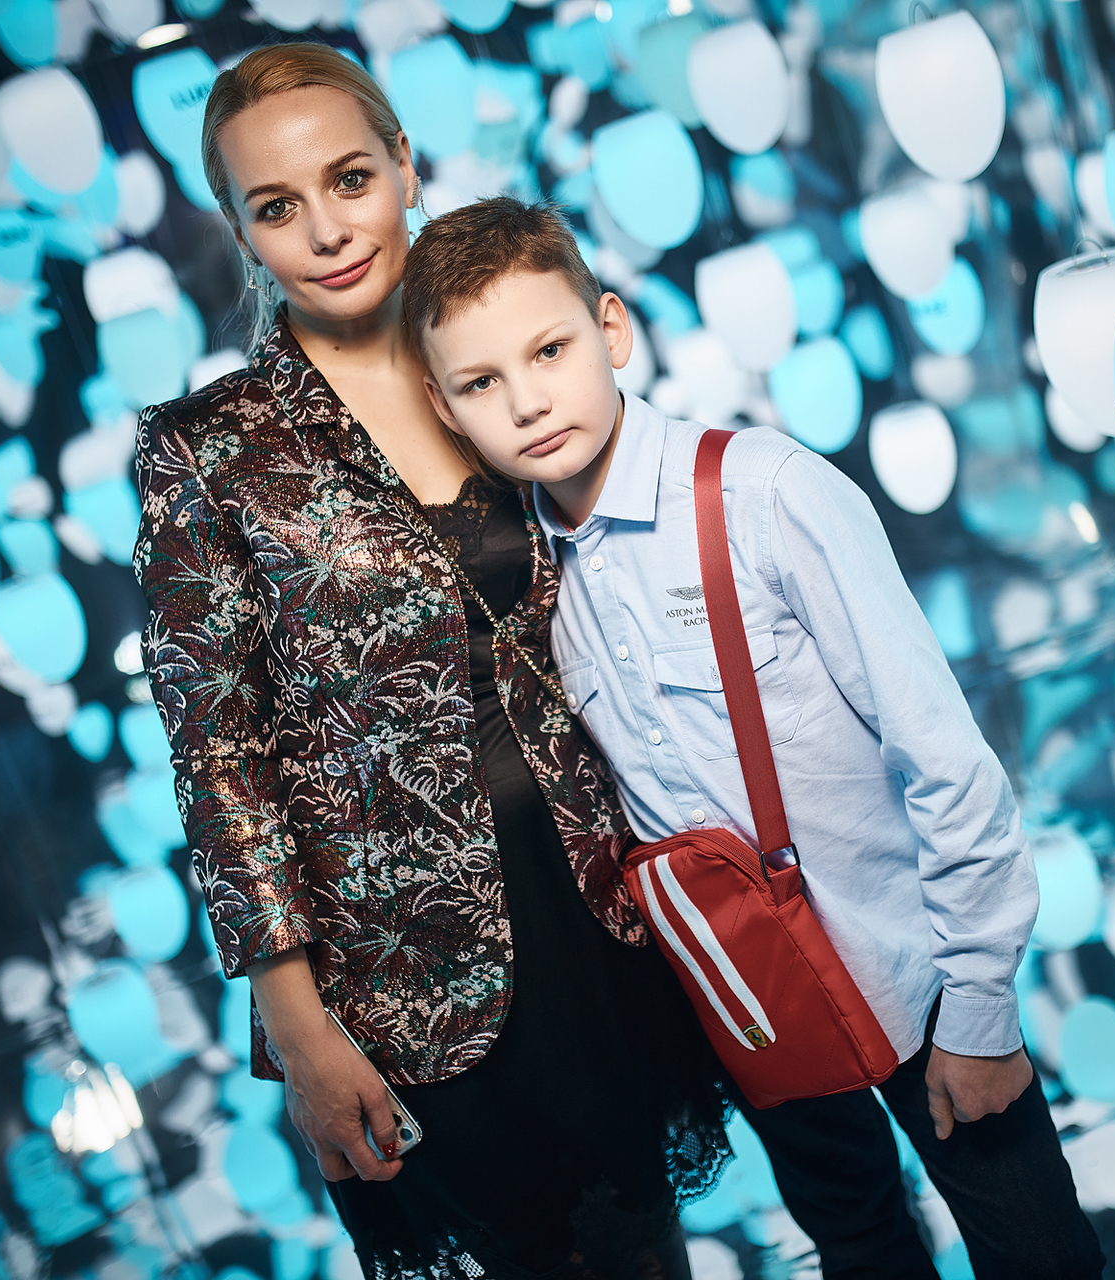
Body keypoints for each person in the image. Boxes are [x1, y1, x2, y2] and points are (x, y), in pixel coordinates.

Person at [403, 196, 1108, 1280]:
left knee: (1042, 1257)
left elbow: (945, 760)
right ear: (446, 411)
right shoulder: (531, 583)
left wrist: (979, 1008)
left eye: (548, 350)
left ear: (611, 329)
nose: (528, 401)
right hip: (756, 1005)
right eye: (481, 382)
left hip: (915, 973)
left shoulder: (763, 493)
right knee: (861, 1249)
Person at [131, 44, 729, 1280]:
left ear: (404, 164)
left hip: (604, 900)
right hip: (401, 967)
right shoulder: (208, 450)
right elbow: (216, 754)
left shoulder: (507, 354)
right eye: (276, 206)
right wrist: (297, 1024)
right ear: (240, 231)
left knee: (647, 1250)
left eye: (350, 178)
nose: (326, 230)